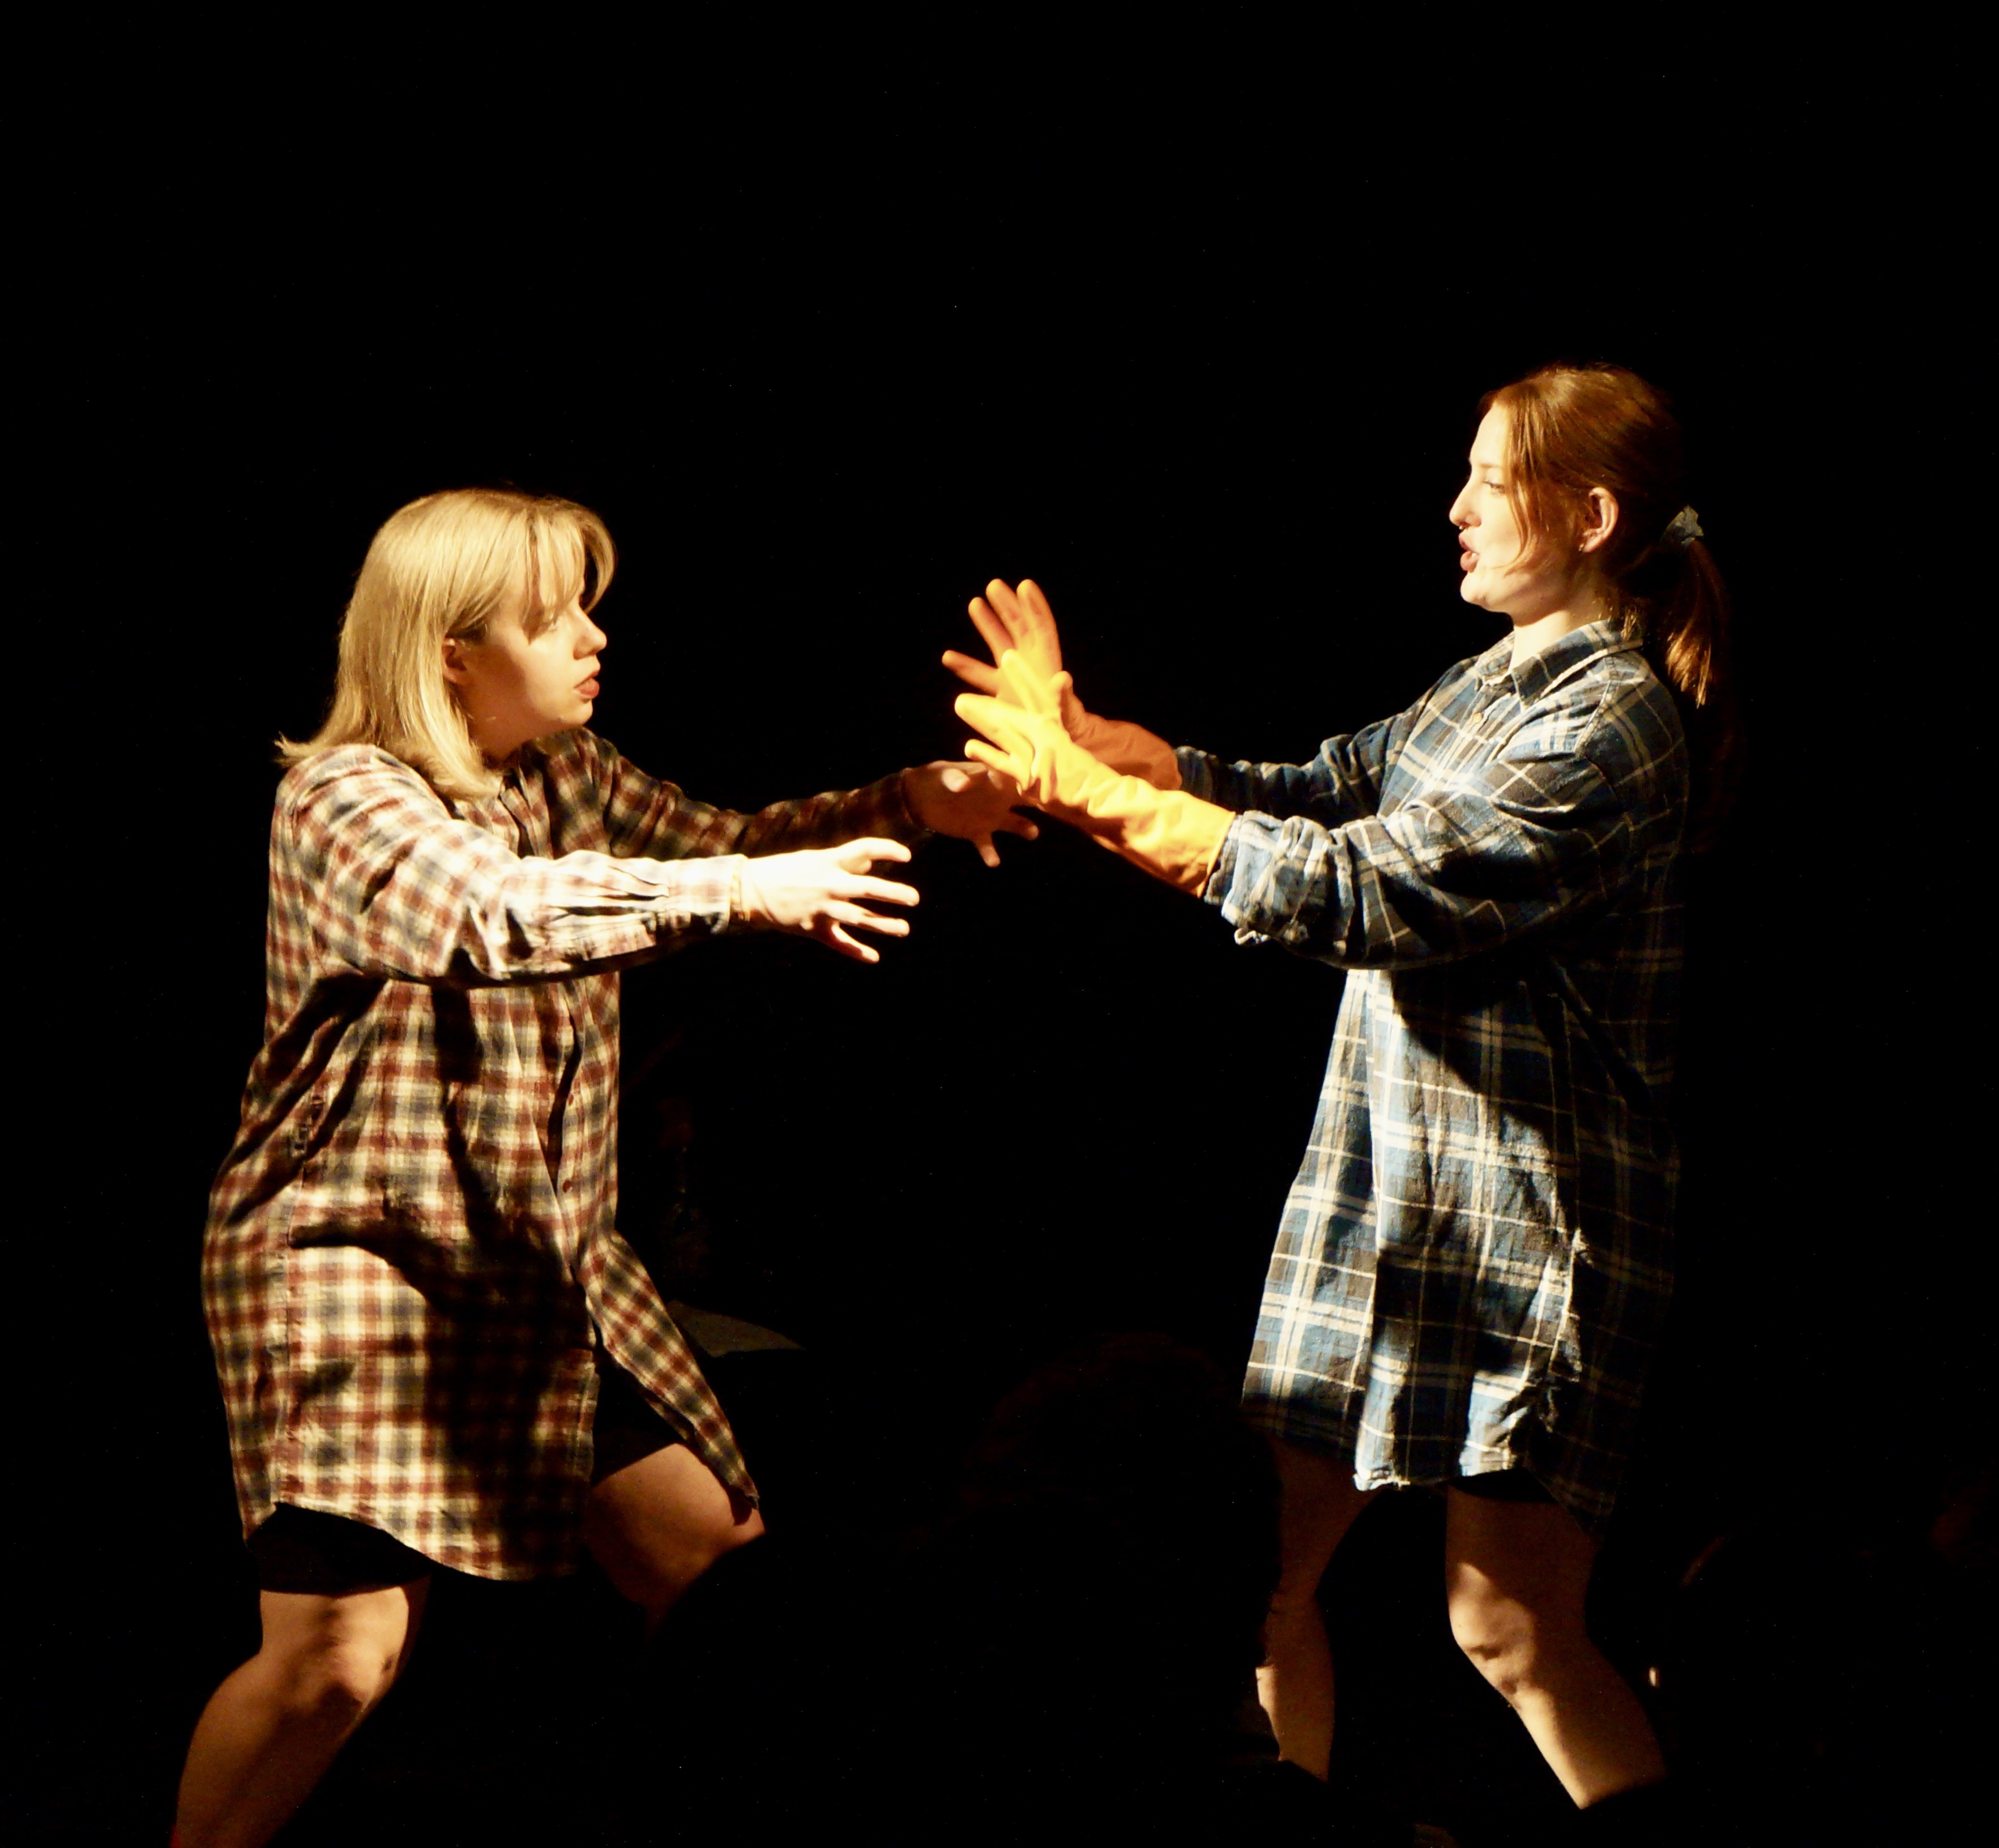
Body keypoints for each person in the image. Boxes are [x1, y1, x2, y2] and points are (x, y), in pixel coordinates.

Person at [176, 486, 1035, 1848]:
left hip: (544, 1262)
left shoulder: (564, 773)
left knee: (721, 1578)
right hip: (365, 1275)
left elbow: (725, 847)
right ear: (452, 651)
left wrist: (914, 803)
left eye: (590, 607)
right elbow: (493, 913)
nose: (593, 638)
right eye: (553, 617)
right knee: (336, 1661)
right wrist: (741, 897)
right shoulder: (342, 799)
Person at [950, 360, 1733, 1823]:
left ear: (1588, 516)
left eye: (1488, 480)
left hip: (1519, 1225)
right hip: (1383, 1205)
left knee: (1507, 1624)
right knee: (1260, 1581)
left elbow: (1367, 890)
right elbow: (1315, 794)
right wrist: (1111, 751)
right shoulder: (1493, 678)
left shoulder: (1610, 722)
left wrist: (1090, 789)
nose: (1455, 508)